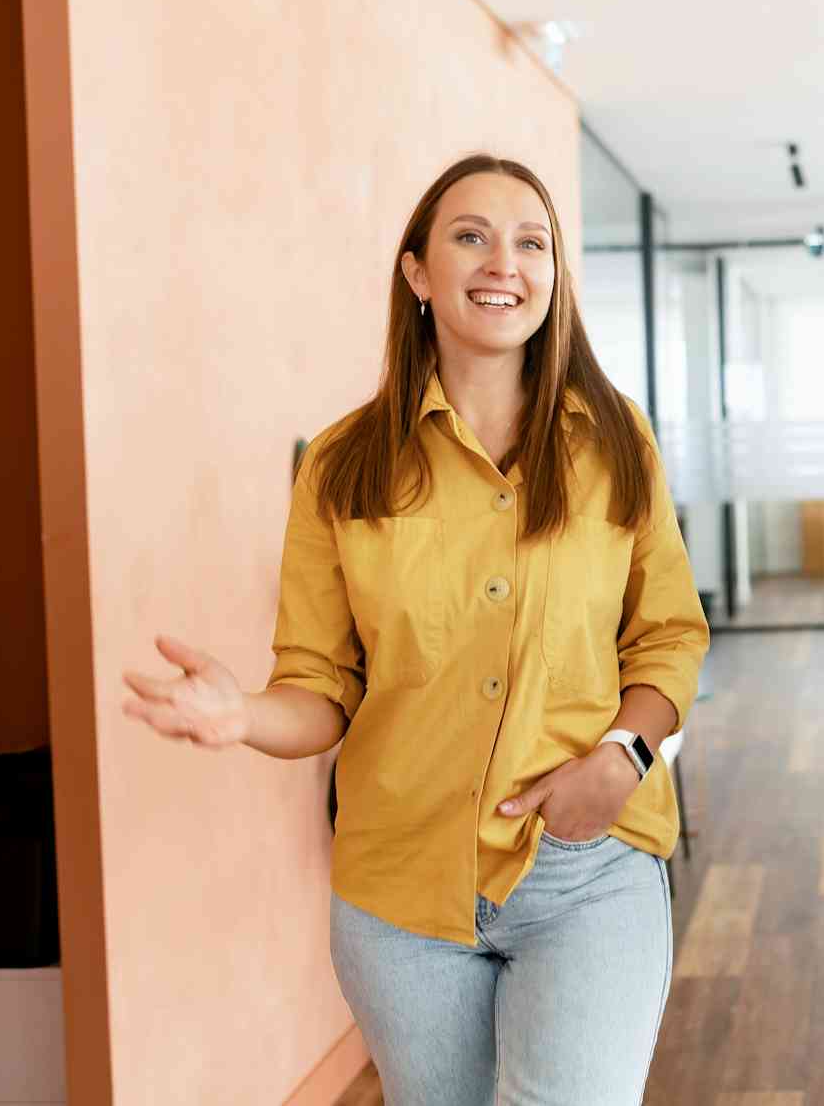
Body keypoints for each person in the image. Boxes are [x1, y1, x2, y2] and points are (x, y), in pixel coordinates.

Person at [122, 154, 709, 1105]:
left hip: (586, 869)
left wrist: (622, 759)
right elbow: (319, 690)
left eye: (532, 242)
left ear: (554, 276)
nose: (503, 262)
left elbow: (669, 637)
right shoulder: (345, 465)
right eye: (470, 236)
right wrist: (241, 716)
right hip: (399, 888)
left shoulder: (614, 440)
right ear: (418, 273)